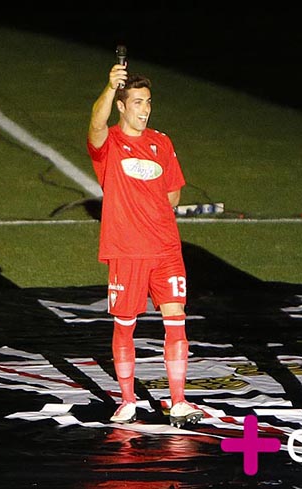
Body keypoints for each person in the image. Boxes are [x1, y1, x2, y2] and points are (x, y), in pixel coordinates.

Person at [87, 61, 203, 428]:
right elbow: (94, 124)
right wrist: (109, 87)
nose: (145, 109)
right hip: (127, 251)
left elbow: (173, 193)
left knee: (176, 323)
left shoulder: (161, 142)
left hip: (166, 249)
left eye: (148, 102)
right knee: (125, 325)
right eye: (136, 102)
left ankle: (180, 402)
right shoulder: (110, 144)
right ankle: (126, 400)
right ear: (121, 106)